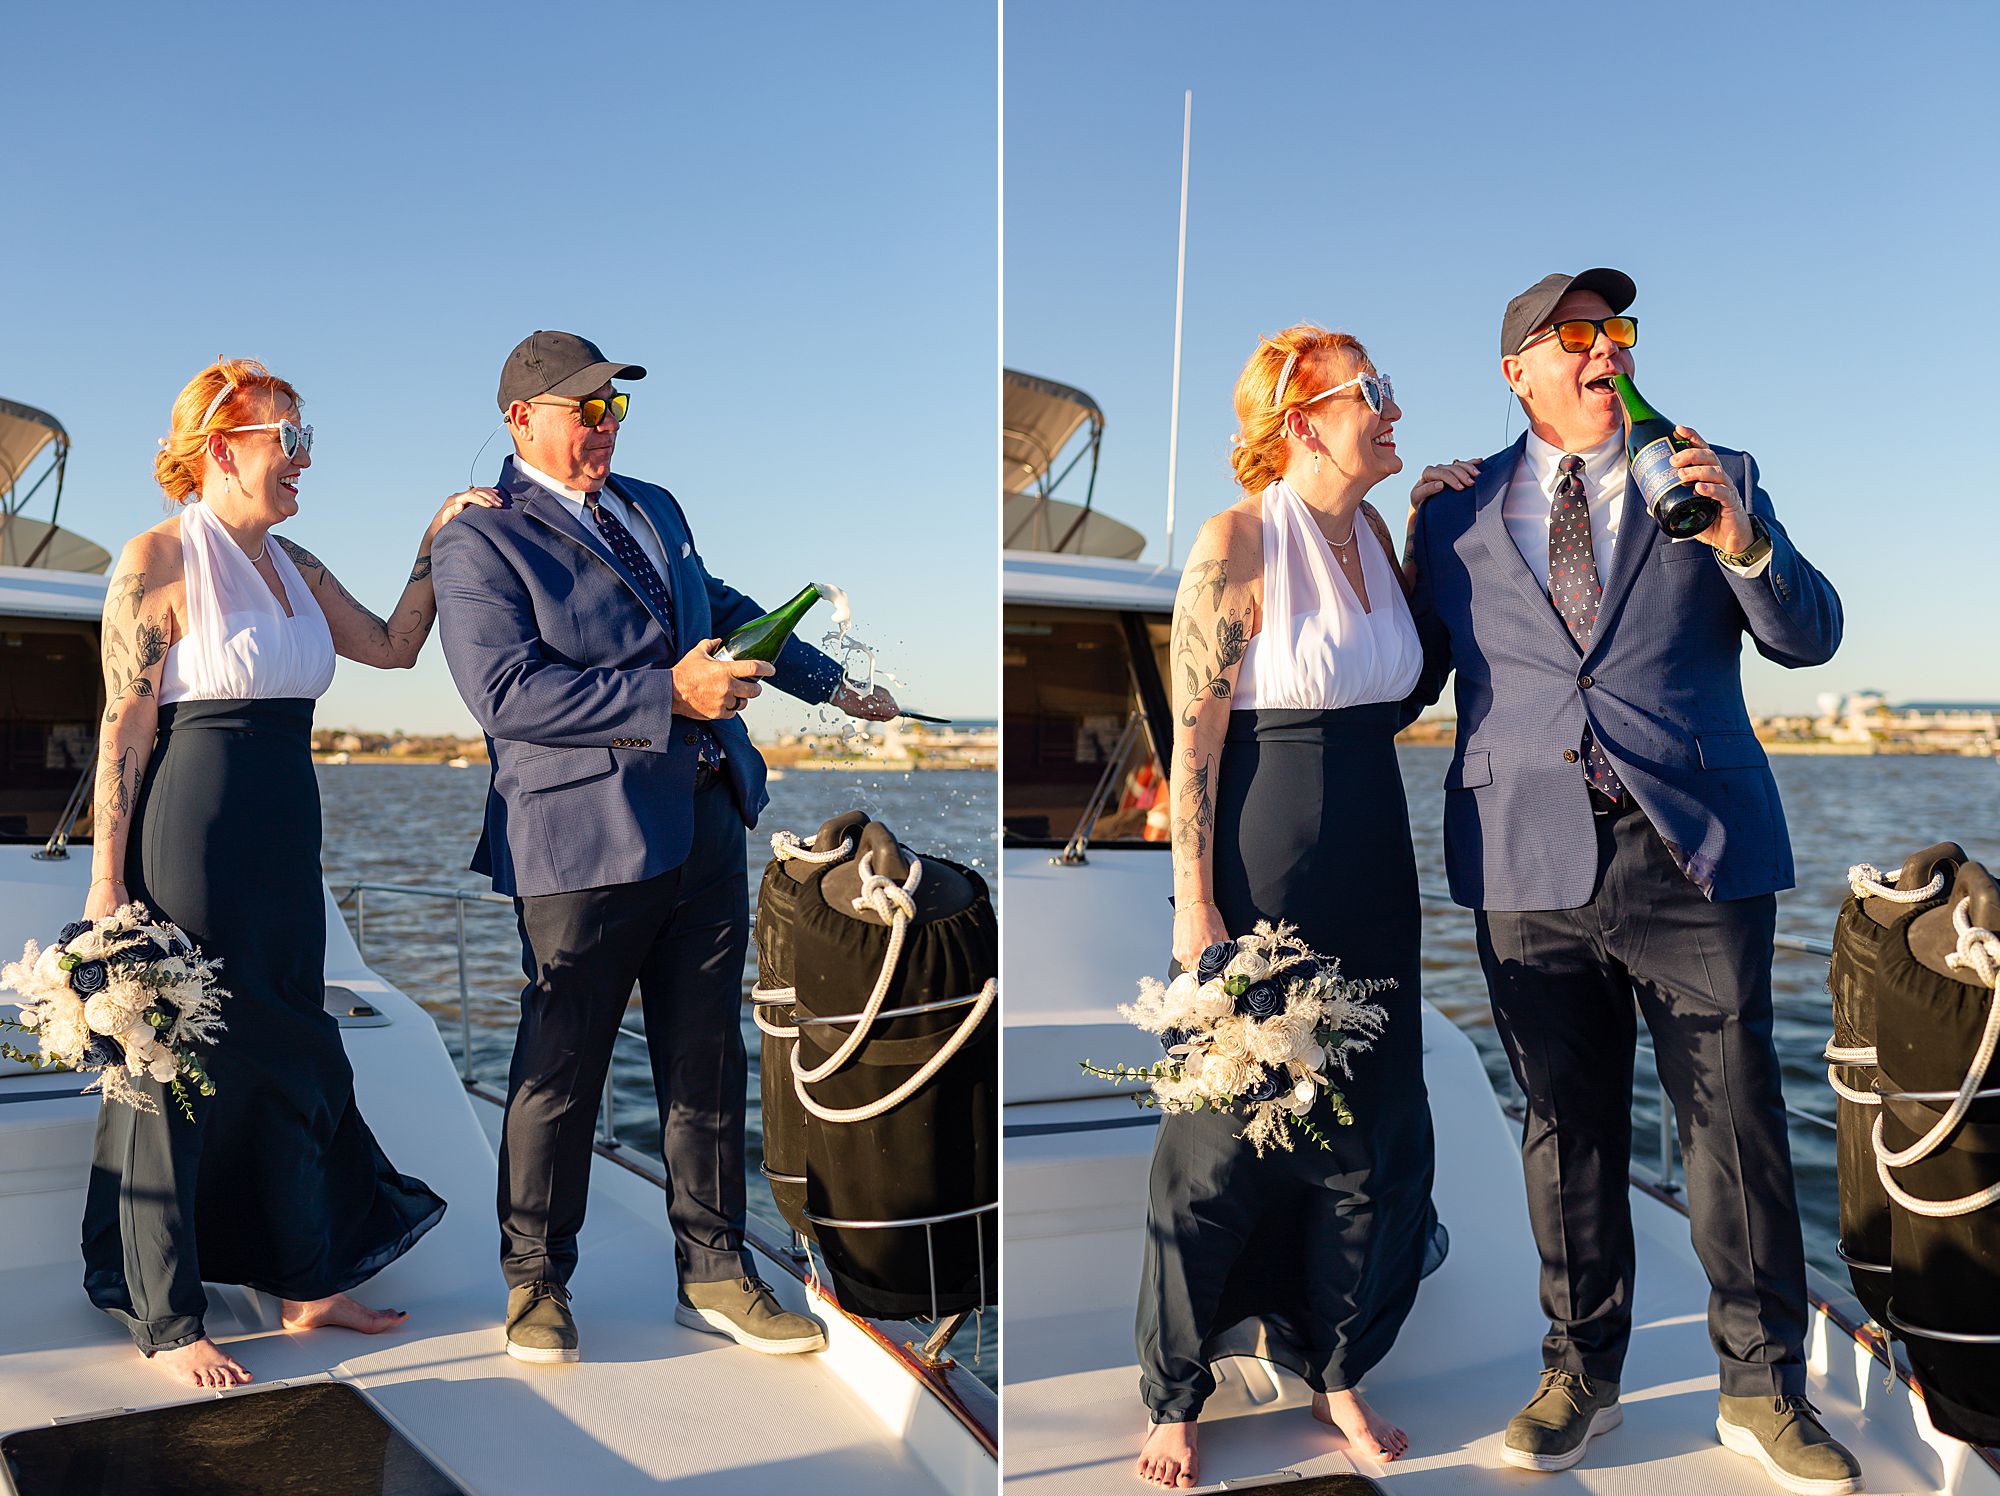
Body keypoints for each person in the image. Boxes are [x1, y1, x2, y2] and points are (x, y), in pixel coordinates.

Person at [1404, 269, 1858, 1494]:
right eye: (1576, 336)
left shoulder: (1722, 472)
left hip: (1692, 850)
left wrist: (1738, 537)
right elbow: (1400, 676)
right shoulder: (1447, 516)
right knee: (1564, 1127)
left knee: (1733, 1122)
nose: (1607, 351)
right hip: (1522, 855)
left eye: (1618, 333)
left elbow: (1806, 633)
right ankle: (1578, 1372)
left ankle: (1761, 1387)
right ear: (1519, 369)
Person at [429, 331, 899, 1367]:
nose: (603, 427)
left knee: (704, 1056)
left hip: (704, 821)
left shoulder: (657, 505)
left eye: (614, 409)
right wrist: (667, 694)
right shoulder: (480, 540)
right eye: (584, 409)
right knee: (560, 1069)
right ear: (521, 420)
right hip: (578, 838)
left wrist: (831, 683)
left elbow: (722, 612)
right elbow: (505, 694)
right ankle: (534, 1282)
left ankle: (716, 1272)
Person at [82, 357, 491, 1388]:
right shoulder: (156, 559)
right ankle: (168, 1315)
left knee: (294, 1047)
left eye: (307, 440)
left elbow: (396, 649)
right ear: (223, 448)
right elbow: (123, 724)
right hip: (194, 831)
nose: (306, 460)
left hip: (282, 840)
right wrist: (106, 880)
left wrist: (435, 544)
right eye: (288, 441)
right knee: (177, 1059)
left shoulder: (295, 563)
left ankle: (305, 1274)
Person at [1135, 326, 1441, 1489]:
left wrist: (1423, 522)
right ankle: (1176, 1387)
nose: (1395, 409)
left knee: (1370, 1134)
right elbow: (1194, 738)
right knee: (1220, 1139)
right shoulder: (1236, 543)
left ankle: (1336, 1363)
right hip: (1263, 878)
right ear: (1303, 416)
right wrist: (1191, 905)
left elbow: (1407, 676)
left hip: (1376, 869)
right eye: (1374, 393)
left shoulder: (1368, 530)